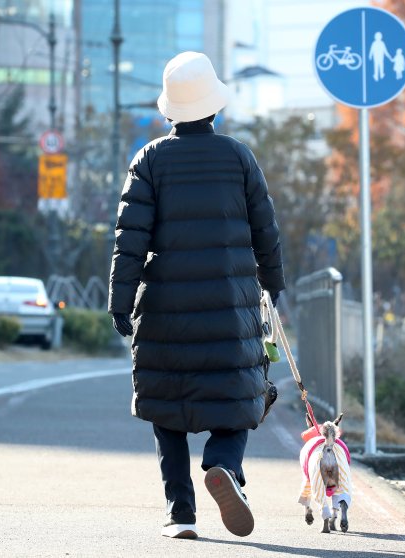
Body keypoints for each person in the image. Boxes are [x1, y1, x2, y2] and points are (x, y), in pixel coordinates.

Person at [107, 51, 286, 540]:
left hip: (165, 309)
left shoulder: (149, 160)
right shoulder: (238, 156)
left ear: (170, 109)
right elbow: (266, 230)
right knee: (237, 395)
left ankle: (180, 513)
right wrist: (273, 283)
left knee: (167, 408)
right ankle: (224, 464)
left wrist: (120, 302)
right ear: (214, 105)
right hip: (230, 304)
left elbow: (129, 241)